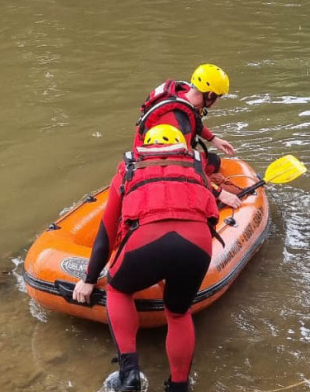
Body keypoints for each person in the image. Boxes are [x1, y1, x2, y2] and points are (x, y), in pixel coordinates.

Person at [73, 125, 234, 392]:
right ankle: (179, 386)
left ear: (146, 147)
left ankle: (129, 374)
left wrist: (90, 279)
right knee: (179, 313)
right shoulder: (195, 170)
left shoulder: (128, 171)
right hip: (196, 246)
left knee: (117, 288)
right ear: (179, 147)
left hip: (147, 242)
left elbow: (106, 235)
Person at [135, 64, 240, 207]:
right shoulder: (177, 122)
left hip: (158, 156)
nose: (217, 102)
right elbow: (183, 167)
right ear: (210, 94)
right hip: (155, 167)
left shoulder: (183, 93)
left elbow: (194, 120)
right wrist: (219, 192)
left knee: (214, 161)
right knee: (200, 183)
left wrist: (213, 139)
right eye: (218, 97)